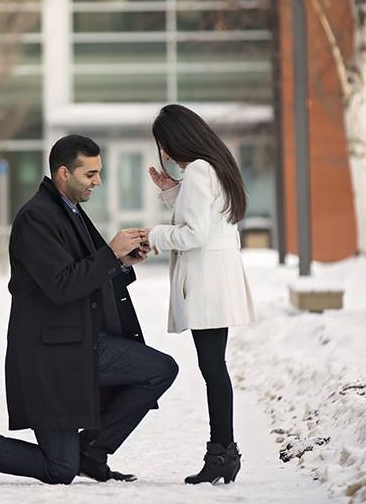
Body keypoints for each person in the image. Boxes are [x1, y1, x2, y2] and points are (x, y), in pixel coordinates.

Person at [0, 134, 178, 485]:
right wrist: (109, 254)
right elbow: (61, 285)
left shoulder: (69, 211)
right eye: (90, 175)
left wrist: (121, 261)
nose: (98, 182)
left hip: (79, 346)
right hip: (51, 357)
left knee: (159, 369)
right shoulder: (36, 219)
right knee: (59, 470)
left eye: (98, 173)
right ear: (62, 174)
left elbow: (87, 273)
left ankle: (92, 451)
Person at [145, 104, 256, 485]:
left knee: (213, 371)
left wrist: (153, 235)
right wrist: (172, 192)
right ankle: (224, 450)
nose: (166, 153)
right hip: (219, 279)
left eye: (164, 144)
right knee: (215, 369)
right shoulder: (215, 165)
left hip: (206, 283)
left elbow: (194, 234)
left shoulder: (196, 170)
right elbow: (208, 216)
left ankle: (222, 452)